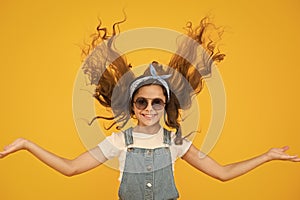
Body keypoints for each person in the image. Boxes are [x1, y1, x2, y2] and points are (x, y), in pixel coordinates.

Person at [0, 17, 299, 200]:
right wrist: (26, 145)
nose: (150, 108)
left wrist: (268, 156)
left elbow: (222, 173)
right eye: (142, 101)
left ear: (166, 105)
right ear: (132, 106)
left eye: (157, 102)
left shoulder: (176, 143)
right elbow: (70, 169)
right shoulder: (120, 141)